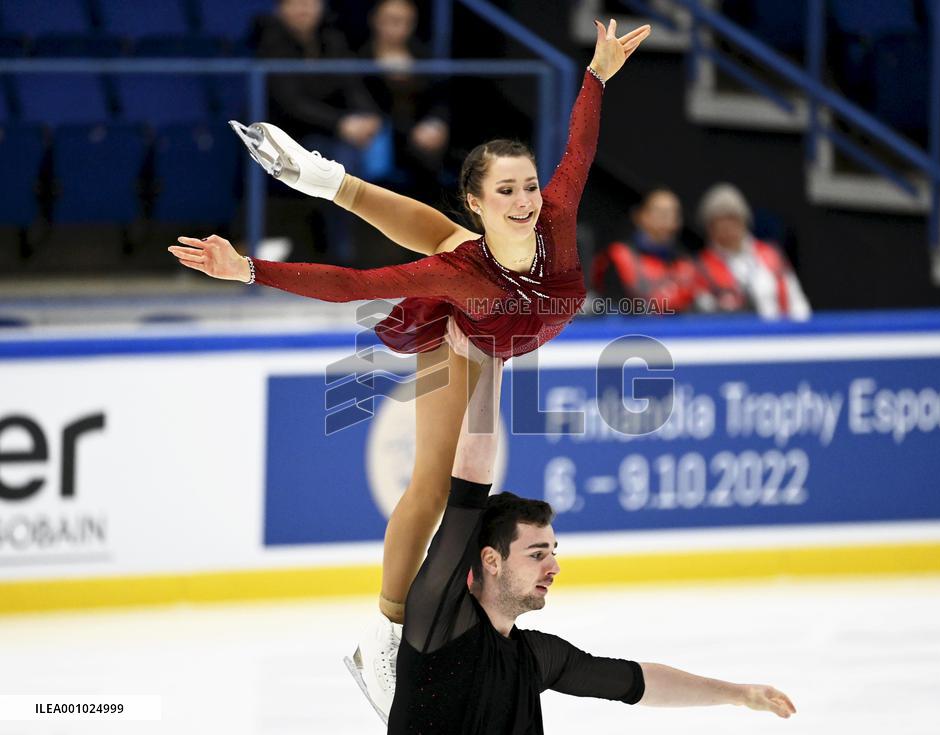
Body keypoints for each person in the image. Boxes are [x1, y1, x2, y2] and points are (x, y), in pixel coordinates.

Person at [169, 18, 652, 720]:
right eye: (507, 194)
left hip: (497, 315)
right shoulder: (459, 275)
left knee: (455, 246)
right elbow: (352, 284)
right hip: (461, 334)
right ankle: (384, 637)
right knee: (431, 485)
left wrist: (597, 74)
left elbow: (578, 148)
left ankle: (325, 177)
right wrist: (247, 268)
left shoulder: (553, 219)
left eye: (527, 188)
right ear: (480, 202)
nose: (525, 202)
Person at [386, 340, 797, 732]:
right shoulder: (440, 621)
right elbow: (470, 485)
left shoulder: (535, 657)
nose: (554, 567)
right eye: (537, 554)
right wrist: (492, 360)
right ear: (491, 560)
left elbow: (637, 683)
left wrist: (739, 694)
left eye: (552, 552)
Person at [255, 0, 384, 263]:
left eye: (310, 3)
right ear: (280, 8)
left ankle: (348, 252)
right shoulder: (269, 44)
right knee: (339, 164)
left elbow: (352, 86)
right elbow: (291, 104)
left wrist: (368, 115)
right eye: (295, 3)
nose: (304, 9)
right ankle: (341, 254)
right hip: (286, 137)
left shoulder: (332, 40)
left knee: (348, 160)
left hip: (330, 134)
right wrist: (341, 123)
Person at [359, 0, 452, 200]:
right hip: (383, 133)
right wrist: (410, 130)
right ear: (375, 20)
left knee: (432, 158)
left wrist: (435, 124)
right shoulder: (360, 57)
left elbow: (439, 99)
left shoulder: (423, 56)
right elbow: (362, 101)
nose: (397, 27)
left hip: (421, 132)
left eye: (404, 21)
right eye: (391, 20)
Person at [695, 183, 811, 320]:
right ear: (709, 228)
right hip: (738, 337)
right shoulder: (700, 267)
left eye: (732, 218)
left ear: (744, 220)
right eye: (719, 221)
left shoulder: (771, 253)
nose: (727, 227)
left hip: (782, 336)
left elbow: (797, 302)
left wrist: (801, 331)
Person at [590, 188, 708, 314]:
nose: (666, 219)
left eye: (672, 213)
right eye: (660, 212)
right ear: (640, 216)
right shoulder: (618, 257)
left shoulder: (686, 264)